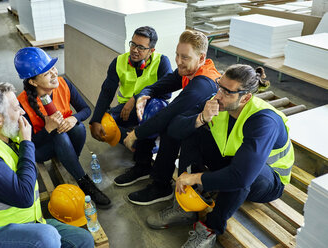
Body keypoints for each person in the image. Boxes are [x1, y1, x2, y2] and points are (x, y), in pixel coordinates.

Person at [149, 64, 294, 248]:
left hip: (266, 182)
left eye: (227, 92)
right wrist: (201, 118)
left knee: (246, 172)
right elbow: (175, 129)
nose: (218, 95)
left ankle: (210, 229)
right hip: (233, 164)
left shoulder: (264, 121)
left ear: (246, 98)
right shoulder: (217, 102)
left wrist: (194, 177)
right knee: (194, 129)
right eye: (219, 87)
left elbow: (241, 177)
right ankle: (187, 204)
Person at [0, 82, 94, 248]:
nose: (22, 112)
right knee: (45, 238)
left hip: (24, 223)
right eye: (16, 108)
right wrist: (26, 142)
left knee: (83, 239)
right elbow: (24, 196)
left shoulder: (6, 137)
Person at [123, 30, 220, 205]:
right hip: (201, 132)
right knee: (156, 106)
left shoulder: (202, 84)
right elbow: (158, 86)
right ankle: (143, 165)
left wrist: (135, 134)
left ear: (201, 57)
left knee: (172, 125)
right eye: (177, 55)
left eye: (185, 57)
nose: (178, 61)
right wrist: (143, 95)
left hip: (213, 148)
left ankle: (161, 186)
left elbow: (168, 114)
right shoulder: (190, 70)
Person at [14, 47, 111, 209]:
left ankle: (71, 161)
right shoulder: (21, 104)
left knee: (78, 127)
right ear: (33, 81)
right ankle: (84, 183)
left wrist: (74, 118)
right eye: (46, 73)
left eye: (53, 68)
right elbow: (28, 145)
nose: (54, 74)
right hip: (40, 148)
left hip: (63, 140)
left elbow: (86, 110)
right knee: (60, 135)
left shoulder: (63, 84)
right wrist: (47, 128)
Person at [89, 26, 172, 186]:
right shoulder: (119, 61)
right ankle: (137, 140)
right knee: (105, 127)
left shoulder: (162, 61)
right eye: (133, 44)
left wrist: (136, 98)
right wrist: (95, 120)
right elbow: (107, 92)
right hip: (127, 111)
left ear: (151, 50)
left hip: (151, 109)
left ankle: (142, 159)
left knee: (155, 106)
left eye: (141, 47)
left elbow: (166, 93)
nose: (135, 50)